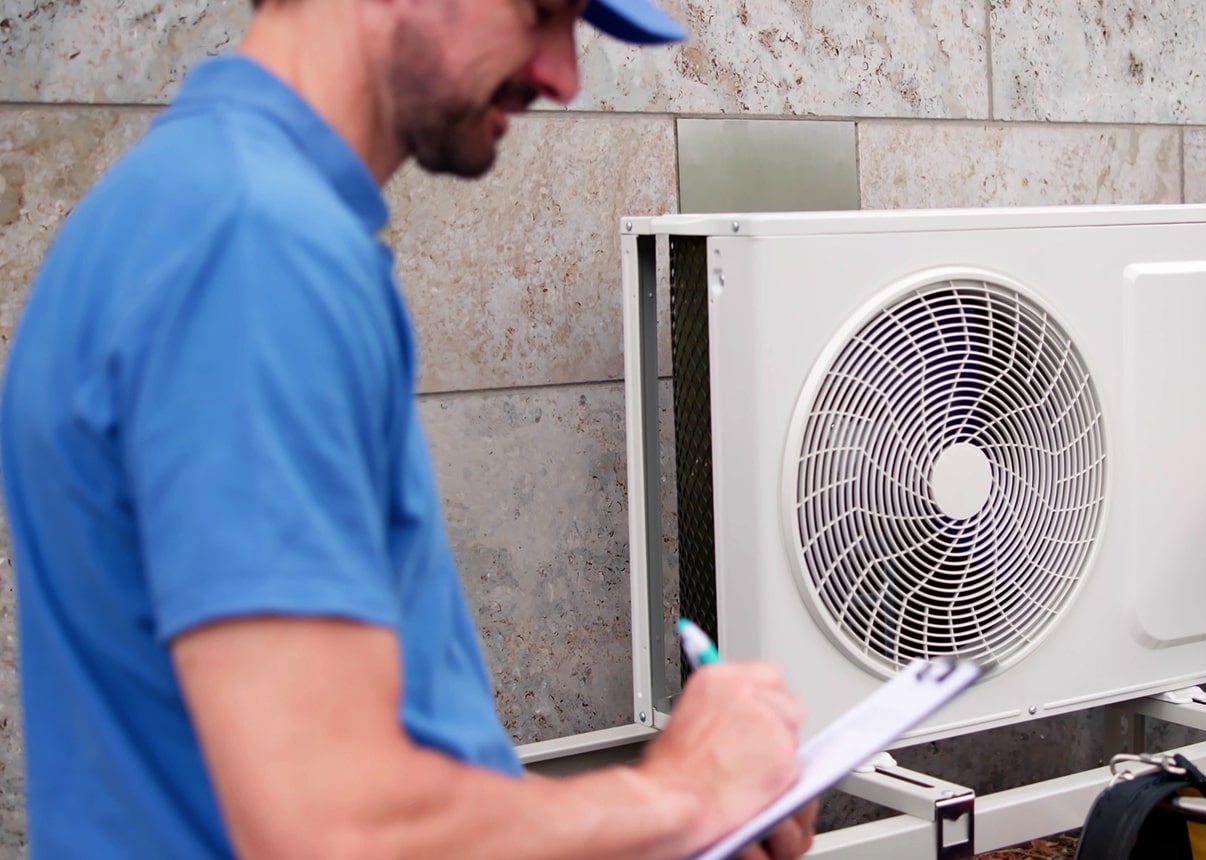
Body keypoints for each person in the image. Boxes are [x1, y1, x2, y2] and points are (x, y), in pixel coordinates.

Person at [0, 0, 817, 857]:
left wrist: (679, 818)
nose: (564, 77)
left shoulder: (177, 206)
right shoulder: (255, 249)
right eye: (541, 13)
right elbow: (334, 826)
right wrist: (680, 794)